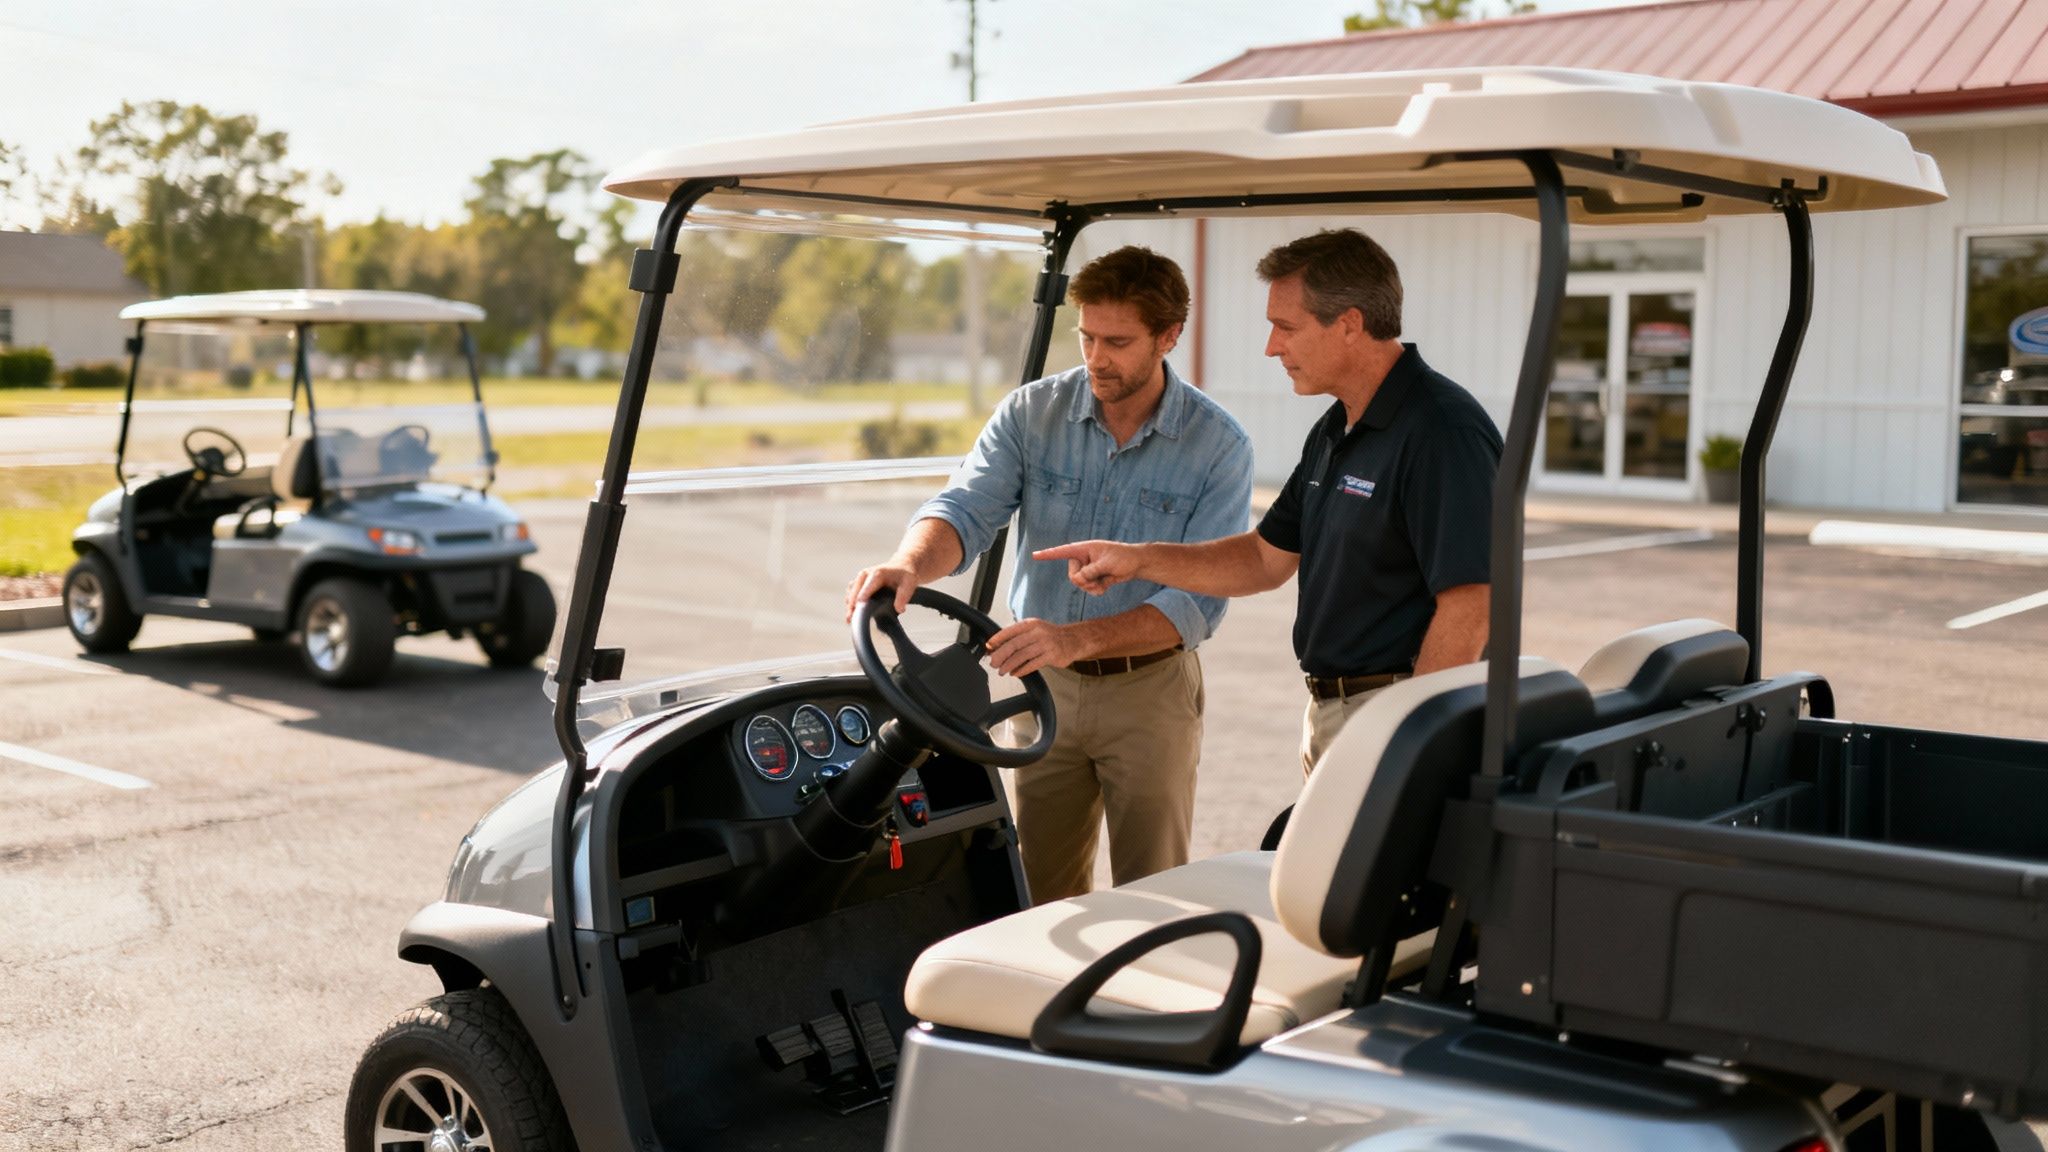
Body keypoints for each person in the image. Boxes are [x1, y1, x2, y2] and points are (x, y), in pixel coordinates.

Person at [845, 245, 1254, 903]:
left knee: (1156, 891)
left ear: (1168, 336)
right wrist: (909, 563)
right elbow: (965, 509)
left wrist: (1074, 639)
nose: (1096, 357)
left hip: (1149, 693)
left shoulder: (1219, 446)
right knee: (1038, 889)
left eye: (1117, 342)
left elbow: (1194, 606)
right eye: (1087, 336)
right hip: (1042, 688)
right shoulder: (1031, 412)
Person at [1037, 228, 1501, 778]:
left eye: (1287, 327)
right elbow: (1263, 559)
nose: (1272, 346)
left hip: (1395, 718)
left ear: (1349, 324)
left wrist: (1413, 746)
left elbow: (1472, 604)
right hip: (1339, 713)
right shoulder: (1336, 427)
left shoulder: (1442, 431)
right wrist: (1138, 559)